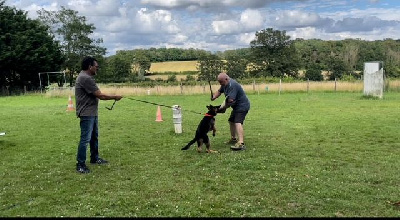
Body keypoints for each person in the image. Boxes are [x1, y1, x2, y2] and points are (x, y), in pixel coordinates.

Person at [75, 56, 123, 174]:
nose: (97, 69)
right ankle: (80, 164)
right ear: (90, 66)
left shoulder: (86, 76)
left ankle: (94, 158)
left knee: (94, 137)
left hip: (91, 112)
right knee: (85, 139)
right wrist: (115, 97)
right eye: (96, 67)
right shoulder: (86, 78)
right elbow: (100, 95)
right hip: (87, 113)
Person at [211, 72, 250, 151]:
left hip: (242, 105)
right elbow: (219, 91)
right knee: (231, 121)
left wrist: (221, 109)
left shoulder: (233, 85)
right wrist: (214, 97)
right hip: (236, 107)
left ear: (226, 79)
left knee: (237, 122)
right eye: (219, 82)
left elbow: (230, 101)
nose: (220, 84)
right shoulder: (224, 84)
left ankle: (241, 143)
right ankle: (233, 139)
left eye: (221, 82)